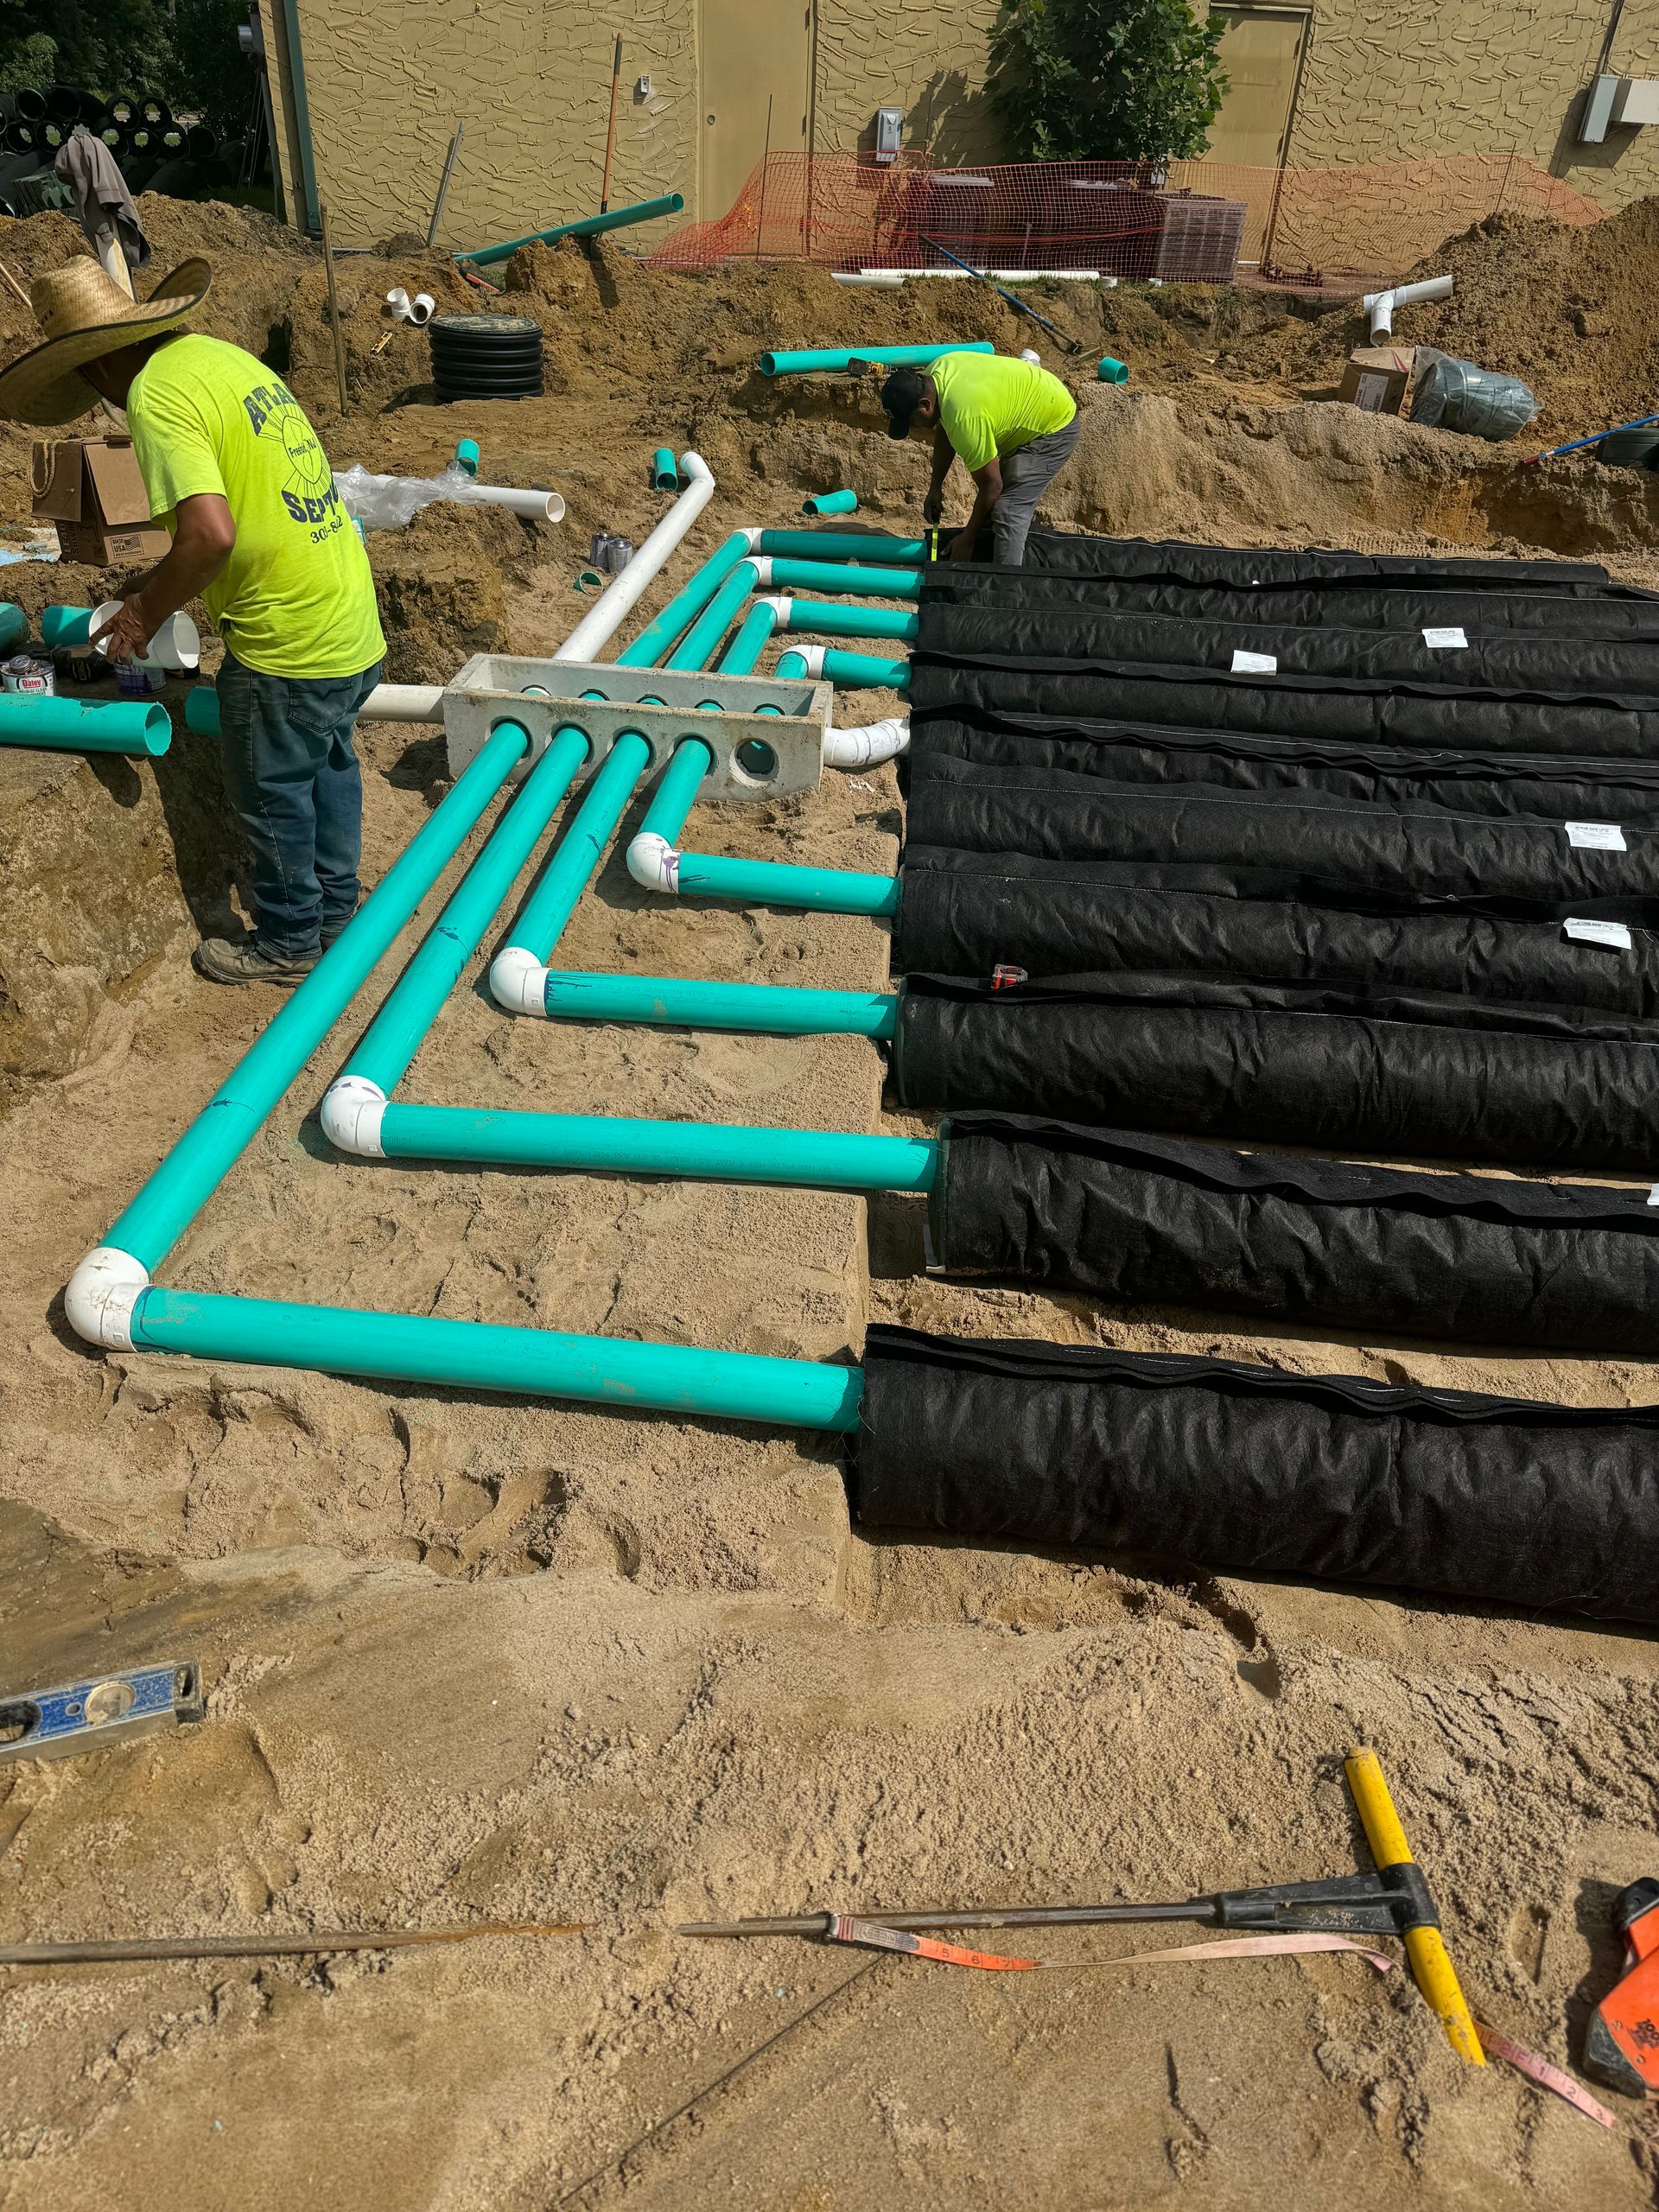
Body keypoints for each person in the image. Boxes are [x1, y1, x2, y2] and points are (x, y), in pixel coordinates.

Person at [0, 257, 385, 986]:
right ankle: (338, 911)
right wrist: (153, 581)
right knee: (330, 763)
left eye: (90, 384)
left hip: (287, 638)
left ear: (101, 364)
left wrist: (142, 612)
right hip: (347, 617)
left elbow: (211, 535)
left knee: (270, 791)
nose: (100, 400)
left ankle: (289, 941)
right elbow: (249, 501)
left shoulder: (154, 394)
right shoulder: (220, 360)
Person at [880, 352, 1080, 566]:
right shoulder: (935, 374)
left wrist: (967, 538)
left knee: (1009, 511)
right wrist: (935, 486)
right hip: (1034, 404)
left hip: (1053, 427)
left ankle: (1004, 591)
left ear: (925, 405)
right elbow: (945, 430)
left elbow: (993, 486)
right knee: (992, 509)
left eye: (912, 421)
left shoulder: (965, 417)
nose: (913, 427)